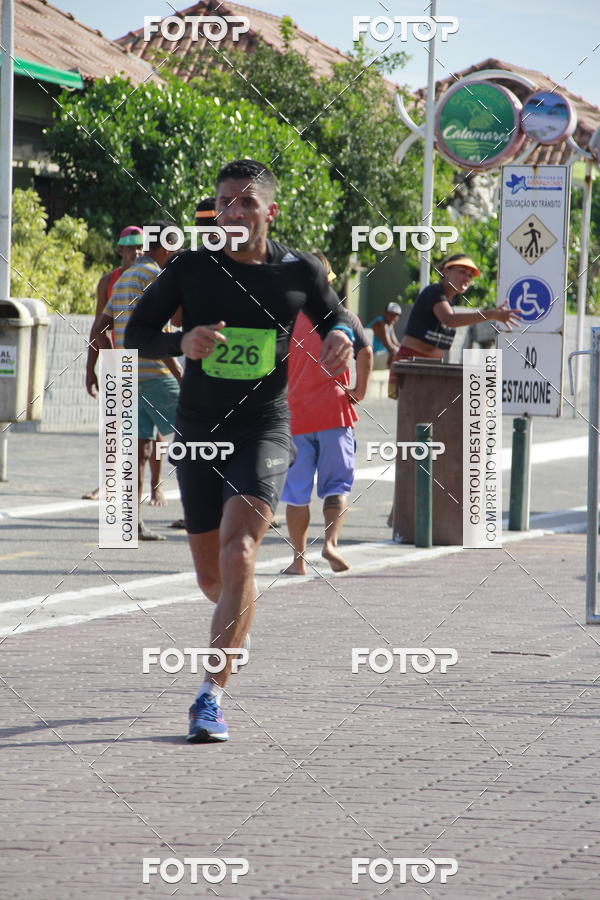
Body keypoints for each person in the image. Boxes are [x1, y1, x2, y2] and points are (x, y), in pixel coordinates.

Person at [124, 158, 354, 742]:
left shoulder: (297, 268)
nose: (235, 214)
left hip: (265, 430)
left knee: (241, 553)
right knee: (214, 579)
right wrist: (183, 340)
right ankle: (236, 620)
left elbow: (333, 313)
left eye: (247, 203)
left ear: (269, 212)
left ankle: (209, 696)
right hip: (199, 430)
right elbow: (136, 332)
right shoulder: (191, 269)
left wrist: (342, 337)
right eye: (226, 202)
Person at [281, 253, 373, 575]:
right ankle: (331, 543)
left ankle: (298, 560)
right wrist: (359, 391)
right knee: (337, 486)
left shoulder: (284, 319)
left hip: (296, 417)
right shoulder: (343, 317)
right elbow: (366, 352)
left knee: (297, 492)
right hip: (335, 412)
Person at [91, 221, 182, 540]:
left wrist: (113, 363)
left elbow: (102, 328)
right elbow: (158, 332)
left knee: (137, 452)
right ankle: (209, 511)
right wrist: (179, 373)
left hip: (127, 375)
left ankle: (131, 522)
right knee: (198, 434)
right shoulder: (157, 277)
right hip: (156, 373)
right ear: (168, 246)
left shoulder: (123, 278)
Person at [83, 225, 168, 506]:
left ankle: (156, 486)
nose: (135, 251)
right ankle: (107, 484)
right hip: (123, 366)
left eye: (139, 247)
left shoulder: (149, 276)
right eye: (129, 247)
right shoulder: (110, 281)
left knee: (154, 432)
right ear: (119, 250)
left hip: (151, 366)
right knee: (116, 427)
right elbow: (99, 327)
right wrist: (93, 368)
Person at [388, 254, 522, 398]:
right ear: (446, 271)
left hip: (431, 369)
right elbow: (449, 319)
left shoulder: (448, 304)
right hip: (412, 366)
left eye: (470, 275)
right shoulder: (433, 291)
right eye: (462, 272)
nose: (467, 278)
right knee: (415, 416)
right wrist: (492, 314)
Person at [367, 302, 401, 369]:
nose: (394, 317)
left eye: (396, 315)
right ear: (385, 313)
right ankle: (392, 378)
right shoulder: (380, 324)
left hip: (377, 355)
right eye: (391, 314)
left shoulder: (390, 325)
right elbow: (389, 347)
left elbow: (396, 343)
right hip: (370, 357)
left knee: (400, 353)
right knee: (395, 354)